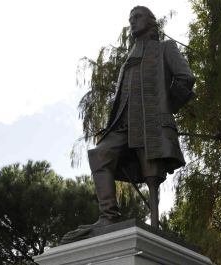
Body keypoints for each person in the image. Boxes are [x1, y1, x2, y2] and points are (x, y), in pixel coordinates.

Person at [61, 5, 195, 243]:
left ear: (151, 22)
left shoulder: (165, 48)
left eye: (137, 17)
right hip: (123, 123)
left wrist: (164, 107)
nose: (132, 22)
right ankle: (108, 216)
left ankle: (155, 224)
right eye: (130, 18)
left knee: (152, 172)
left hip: (150, 120)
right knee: (100, 154)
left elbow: (186, 79)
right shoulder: (129, 58)